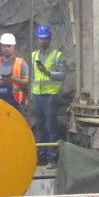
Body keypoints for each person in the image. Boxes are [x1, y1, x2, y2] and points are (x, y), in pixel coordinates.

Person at [30, 25, 65, 169]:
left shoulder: (57, 56)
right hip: (37, 96)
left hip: (50, 96)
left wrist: (48, 72)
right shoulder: (33, 56)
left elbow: (62, 75)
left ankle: (52, 157)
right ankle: (41, 156)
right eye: (40, 38)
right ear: (37, 40)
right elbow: (32, 77)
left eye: (45, 39)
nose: (42, 41)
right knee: (39, 126)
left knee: (51, 127)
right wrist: (30, 94)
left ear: (49, 39)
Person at [0, 32, 28, 110]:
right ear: (1, 47)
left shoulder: (21, 63)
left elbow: (27, 82)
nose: (7, 48)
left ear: (14, 47)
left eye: (9, 46)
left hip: (14, 103)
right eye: (4, 46)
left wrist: (13, 80)